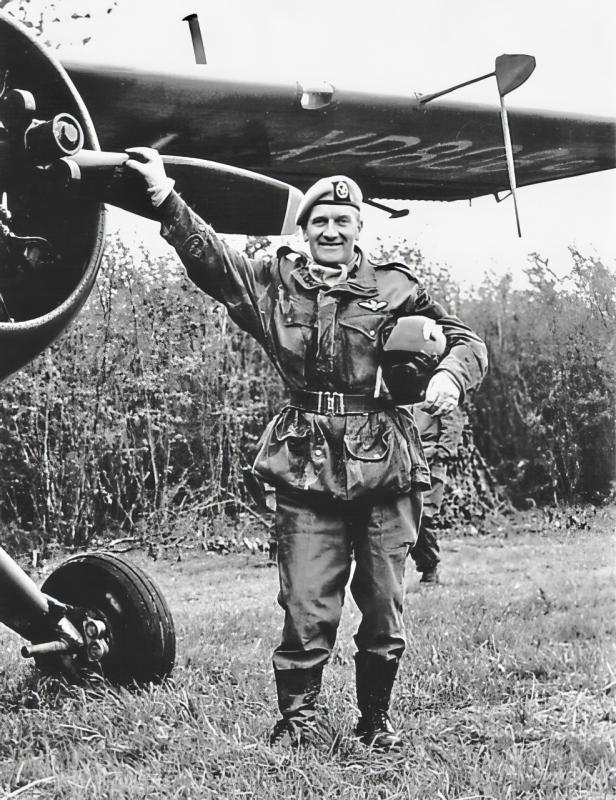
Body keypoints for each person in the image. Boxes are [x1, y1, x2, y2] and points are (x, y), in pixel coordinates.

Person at [125, 149, 488, 749]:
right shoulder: (275, 284)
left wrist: (450, 375)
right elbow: (214, 262)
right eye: (320, 219)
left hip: (384, 462)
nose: (330, 230)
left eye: (343, 220)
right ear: (305, 228)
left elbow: (464, 339)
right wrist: (164, 196)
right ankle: (297, 722)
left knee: (383, 605)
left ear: (358, 229)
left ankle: (375, 723)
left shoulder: (396, 287)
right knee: (304, 605)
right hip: (304, 463)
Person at [410, 403, 466, 584]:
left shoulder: (437, 384)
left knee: (424, 515)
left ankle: (429, 568)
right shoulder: (399, 381)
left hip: (429, 459)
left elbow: (453, 422)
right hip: (401, 457)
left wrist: (442, 453)